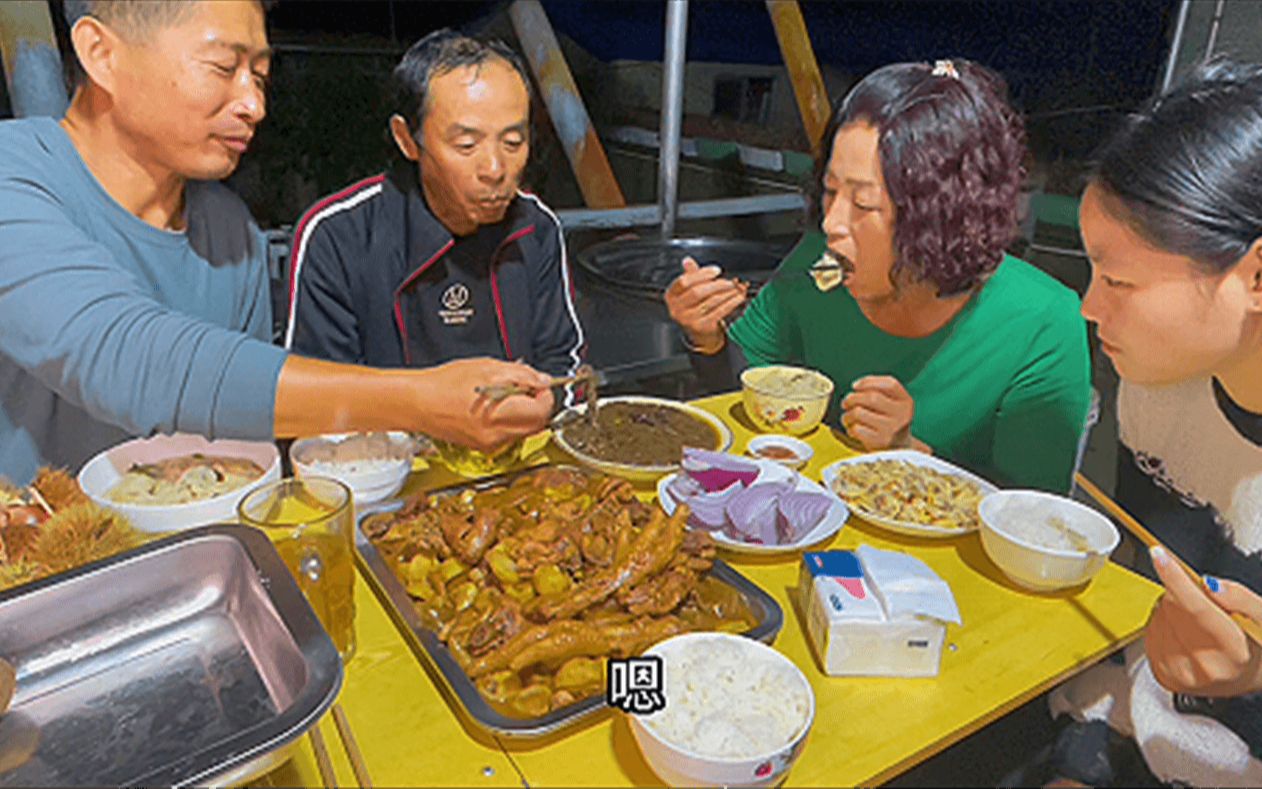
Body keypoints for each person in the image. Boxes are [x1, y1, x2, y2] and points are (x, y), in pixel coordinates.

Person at [0, 0, 552, 485]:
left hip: (194, 560)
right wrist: (420, 401)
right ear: (101, 53)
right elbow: (125, 357)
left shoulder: (230, 230)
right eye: (223, 67)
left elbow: (241, 433)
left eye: (259, 77)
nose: (254, 105)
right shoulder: (14, 176)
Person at [665, 60, 1091, 493]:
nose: (832, 222)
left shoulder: (1041, 321)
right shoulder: (819, 264)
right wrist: (707, 340)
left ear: (942, 218)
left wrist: (908, 453)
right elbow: (747, 395)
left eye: (863, 204)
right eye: (831, 191)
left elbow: (1036, 517)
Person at [1040, 58, 1262, 787]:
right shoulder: (1156, 392)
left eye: (1120, 279)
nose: (1088, 306)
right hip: (1146, 733)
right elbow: (1143, 625)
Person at [284, 31, 586, 410]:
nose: (495, 169)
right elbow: (313, 399)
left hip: (520, 455)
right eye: (466, 145)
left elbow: (565, 365)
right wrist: (428, 411)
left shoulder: (537, 228)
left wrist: (546, 404)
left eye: (512, 143)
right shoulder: (337, 237)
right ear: (407, 140)